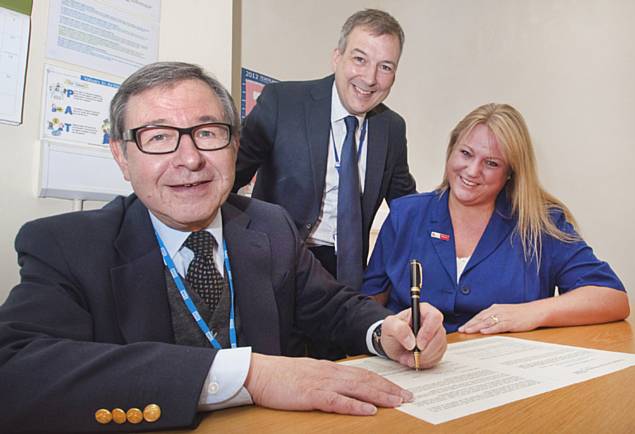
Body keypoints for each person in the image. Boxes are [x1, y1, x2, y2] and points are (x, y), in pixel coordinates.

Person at [0, 62, 447, 433]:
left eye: (208, 132)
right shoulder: (66, 245)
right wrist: (249, 375)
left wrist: (386, 331)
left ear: (235, 144)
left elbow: (331, 307)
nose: (189, 158)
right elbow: (14, 372)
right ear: (121, 155)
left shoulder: (271, 225)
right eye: (158, 138)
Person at [360, 103, 629, 334]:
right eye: (465, 153)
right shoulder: (406, 215)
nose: (473, 171)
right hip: (414, 368)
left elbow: (611, 297)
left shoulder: (540, 224)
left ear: (510, 173)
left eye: (491, 163)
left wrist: (529, 314)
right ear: (451, 150)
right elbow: (368, 304)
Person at [235, 9, 416, 292]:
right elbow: (228, 176)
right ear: (337, 57)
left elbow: (408, 207)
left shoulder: (391, 127)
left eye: (385, 67)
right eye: (359, 59)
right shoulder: (283, 102)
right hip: (279, 265)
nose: (370, 78)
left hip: (348, 275)